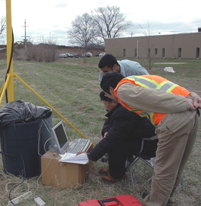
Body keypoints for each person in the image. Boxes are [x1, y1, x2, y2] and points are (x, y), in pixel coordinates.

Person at [100, 72, 201, 206]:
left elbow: (155, 98)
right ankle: (165, 199)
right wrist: (193, 97)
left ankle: (155, 203)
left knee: (164, 168)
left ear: (111, 89)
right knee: (175, 165)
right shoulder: (138, 80)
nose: (112, 98)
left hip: (175, 119)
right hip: (191, 116)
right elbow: (172, 88)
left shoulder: (122, 90)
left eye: (108, 95)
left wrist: (185, 103)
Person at [86, 91, 157, 184]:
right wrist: (106, 131)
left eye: (105, 104)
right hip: (139, 138)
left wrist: (90, 156)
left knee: (117, 146)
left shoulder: (124, 113)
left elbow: (112, 139)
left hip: (150, 144)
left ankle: (116, 175)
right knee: (114, 141)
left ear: (114, 102)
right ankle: (114, 169)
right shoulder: (120, 108)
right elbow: (109, 120)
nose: (105, 107)